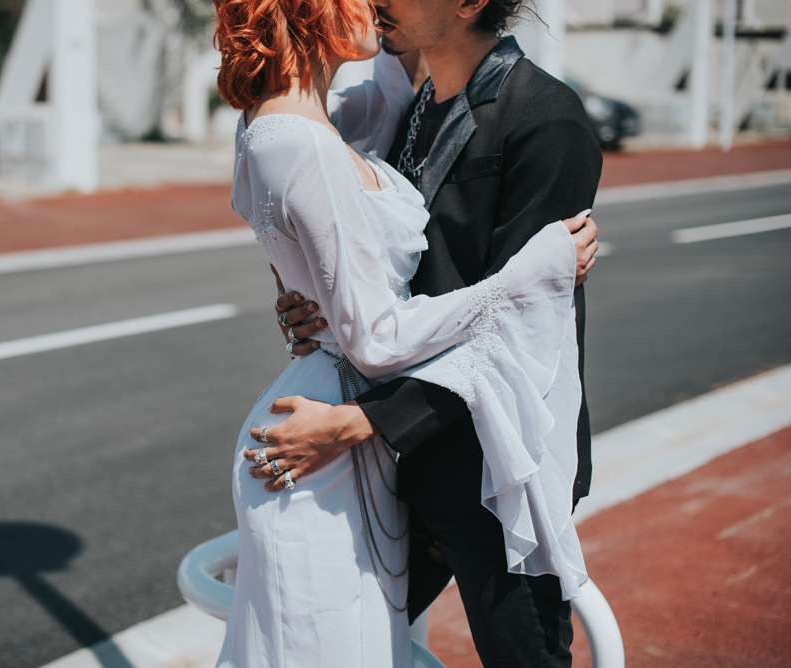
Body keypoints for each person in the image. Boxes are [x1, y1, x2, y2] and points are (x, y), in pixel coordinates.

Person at [213, 0, 601, 665]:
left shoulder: (545, 119)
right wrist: (305, 300)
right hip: (394, 460)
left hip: (497, 461)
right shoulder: (407, 108)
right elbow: (351, 255)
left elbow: (524, 333)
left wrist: (363, 421)